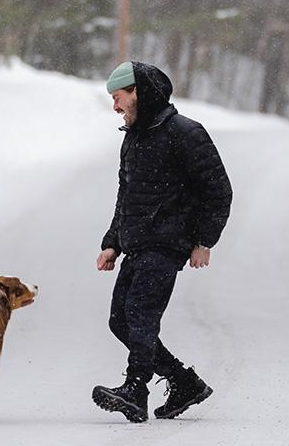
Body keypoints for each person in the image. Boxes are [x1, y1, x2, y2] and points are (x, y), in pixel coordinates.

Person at [92, 61, 233, 423]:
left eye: (118, 97)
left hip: (168, 244)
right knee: (120, 321)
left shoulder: (185, 133)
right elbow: (126, 197)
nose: (115, 107)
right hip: (137, 244)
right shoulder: (133, 138)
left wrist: (204, 240)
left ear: (138, 91)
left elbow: (218, 191)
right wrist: (113, 243)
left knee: (140, 315)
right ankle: (184, 382)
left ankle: (135, 390)